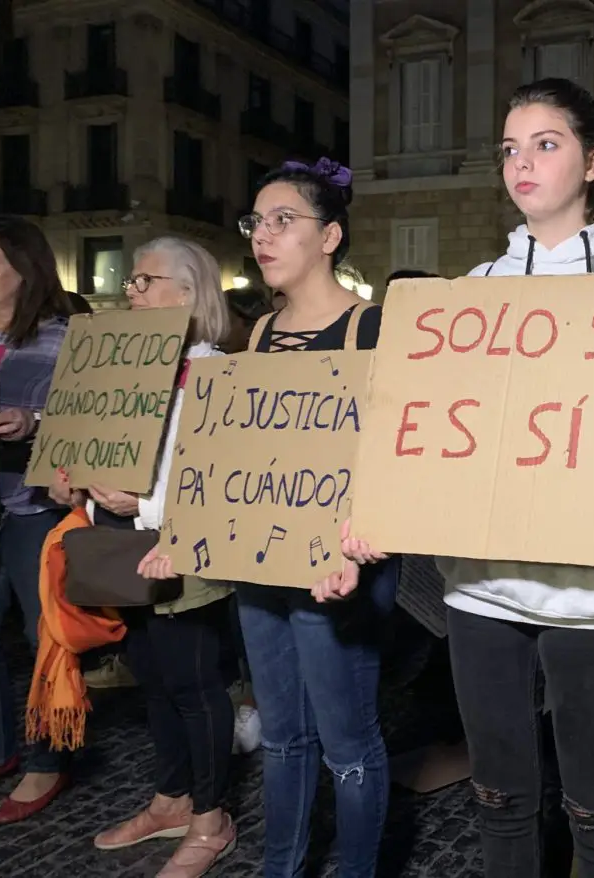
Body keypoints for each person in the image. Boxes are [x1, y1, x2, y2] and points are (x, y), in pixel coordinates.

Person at [334, 78, 594, 878]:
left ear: (593, 159)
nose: (522, 162)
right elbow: (423, 429)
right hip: (483, 592)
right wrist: (381, 509)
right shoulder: (471, 296)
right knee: (499, 796)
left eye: (546, 143)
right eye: (510, 147)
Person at [139, 157, 395, 878]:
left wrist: (360, 546)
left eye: (285, 221)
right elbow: (228, 459)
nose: (263, 235)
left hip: (340, 569)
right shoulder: (253, 339)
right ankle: (280, 868)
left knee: (347, 745)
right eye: (257, 222)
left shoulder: (373, 329)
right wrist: (182, 537)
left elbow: (398, 456)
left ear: (331, 236)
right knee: (282, 736)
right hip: (262, 568)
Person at [52, 237, 238, 875]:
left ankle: (212, 820)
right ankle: (171, 800)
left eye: (144, 281)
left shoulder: (215, 372)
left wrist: (148, 509)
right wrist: (68, 473)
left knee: (194, 687)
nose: (131, 291)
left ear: (187, 295)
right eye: (131, 282)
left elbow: (221, 474)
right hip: (123, 550)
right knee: (155, 685)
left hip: (183, 553)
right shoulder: (121, 364)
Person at [0, 215, 74, 824]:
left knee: (44, 638)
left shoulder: (64, 339)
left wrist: (32, 422)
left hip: (31, 509)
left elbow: (83, 415)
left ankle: (47, 759)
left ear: (24, 269)